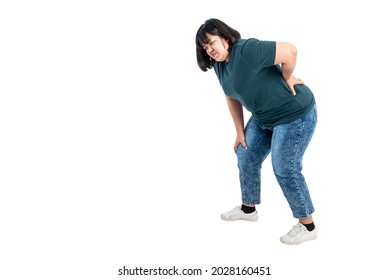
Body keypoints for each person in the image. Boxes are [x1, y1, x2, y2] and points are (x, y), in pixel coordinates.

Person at [195, 18, 318, 245]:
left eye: (211, 42)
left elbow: (290, 51)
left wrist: (287, 76)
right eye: (205, 48)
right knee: (245, 154)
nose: (209, 50)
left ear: (224, 37)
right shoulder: (220, 65)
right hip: (264, 118)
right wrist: (239, 132)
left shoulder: (246, 50)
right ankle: (248, 209)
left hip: (293, 115)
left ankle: (307, 225)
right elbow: (230, 96)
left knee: (285, 169)